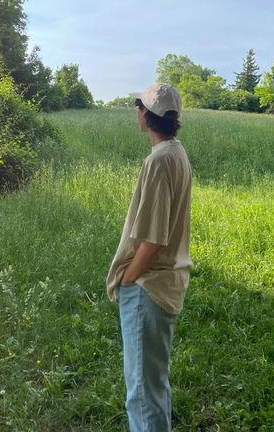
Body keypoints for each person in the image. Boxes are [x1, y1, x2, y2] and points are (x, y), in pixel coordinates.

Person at [106, 82, 193, 432]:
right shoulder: (177, 152)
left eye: (138, 106)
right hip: (164, 284)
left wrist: (128, 281)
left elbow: (153, 240)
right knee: (154, 388)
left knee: (141, 395)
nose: (136, 112)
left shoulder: (159, 161)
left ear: (146, 114)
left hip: (148, 287)